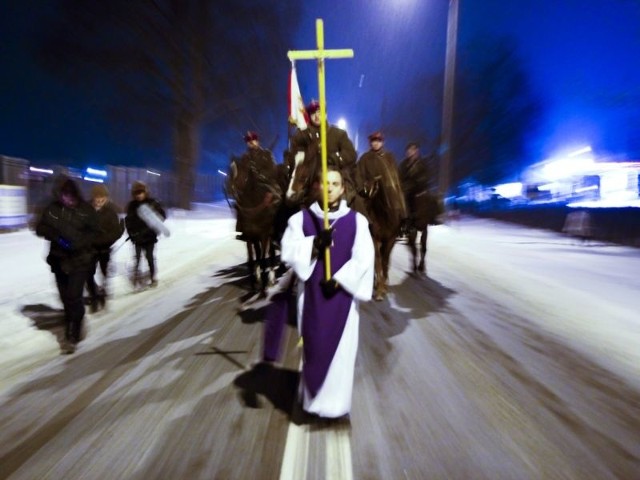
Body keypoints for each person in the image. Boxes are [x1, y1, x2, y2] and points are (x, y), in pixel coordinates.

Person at [280, 165, 375, 419]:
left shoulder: (357, 221)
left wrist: (341, 280)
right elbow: (288, 250)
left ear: (343, 188)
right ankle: (313, 402)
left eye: (335, 184)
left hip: (342, 299)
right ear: (317, 187)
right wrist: (313, 245)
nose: (329, 188)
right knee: (314, 347)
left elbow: (364, 258)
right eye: (325, 183)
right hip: (312, 297)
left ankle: (336, 406)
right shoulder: (301, 219)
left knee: (341, 351)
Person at [35, 175, 100, 354]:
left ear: (76, 195)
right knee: (65, 298)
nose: (67, 199)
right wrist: (56, 236)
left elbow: (95, 232)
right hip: (59, 260)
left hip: (80, 260)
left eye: (70, 195)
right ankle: (72, 318)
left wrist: (79, 243)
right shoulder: (53, 209)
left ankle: (73, 332)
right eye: (64, 195)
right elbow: (40, 227)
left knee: (74, 296)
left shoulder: (86, 210)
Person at [291, 100, 357, 204]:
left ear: (325, 114)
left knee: (353, 201)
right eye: (313, 113)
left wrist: (334, 158)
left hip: (335, 177)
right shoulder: (302, 135)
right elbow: (294, 153)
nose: (317, 116)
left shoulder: (338, 133)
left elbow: (351, 154)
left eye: (320, 113)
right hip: (310, 180)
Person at [230, 131, 279, 241]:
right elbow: (241, 172)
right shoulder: (245, 157)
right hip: (250, 186)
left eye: (253, 140)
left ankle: (275, 229)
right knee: (240, 202)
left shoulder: (266, 154)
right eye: (249, 141)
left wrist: (260, 175)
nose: (251, 142)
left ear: (257, 141)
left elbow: (273, 170)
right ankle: (243, 230)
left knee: (277, 200)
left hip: (267, 183)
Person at [86, 184, 124, 312]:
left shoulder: (111, 212)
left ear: (106, 198)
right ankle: (94, 295)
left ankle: (104, 289)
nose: (100, 201)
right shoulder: (85, 210)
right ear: (93, 198)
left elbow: (114, 232)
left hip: (104, 249)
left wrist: (114, 235)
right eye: (97, 198)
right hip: (89, 249)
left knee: (104, 271)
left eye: (103, 198)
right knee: (87, 274)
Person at [355, 131, 406, 221]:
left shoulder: (389, 157)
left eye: (378, 141)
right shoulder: (365, 158)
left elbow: (395, 175)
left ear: (382, 142)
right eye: (373, 141)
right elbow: (359, 175)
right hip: (373, 195)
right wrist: (364, 190)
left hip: (390, 194)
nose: (376, 143)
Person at [125, 181, 166, 288]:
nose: (139, 195)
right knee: (137, 259)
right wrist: (132, 234)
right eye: (136, 193)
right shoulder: (132, 206)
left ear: (145, 192)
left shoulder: (152, 203)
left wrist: (155, 220)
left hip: (149, 237)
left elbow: (162, 216)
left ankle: (153, 278)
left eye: (141, 192)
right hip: (137, 238)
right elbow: (128, 221)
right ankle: (136, 280)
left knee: (150, 258)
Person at [398, 142, 437, 230]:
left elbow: (427, 175)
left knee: (432, 200)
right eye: (409, 150)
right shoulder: (403, 164)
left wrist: (420, 182)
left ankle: (433, 218)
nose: (411, 152)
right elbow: (400, 176)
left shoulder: (422, 163)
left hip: (420, 188)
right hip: (408, 190)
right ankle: (403, 221)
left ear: (417, 151)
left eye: (413, 150)